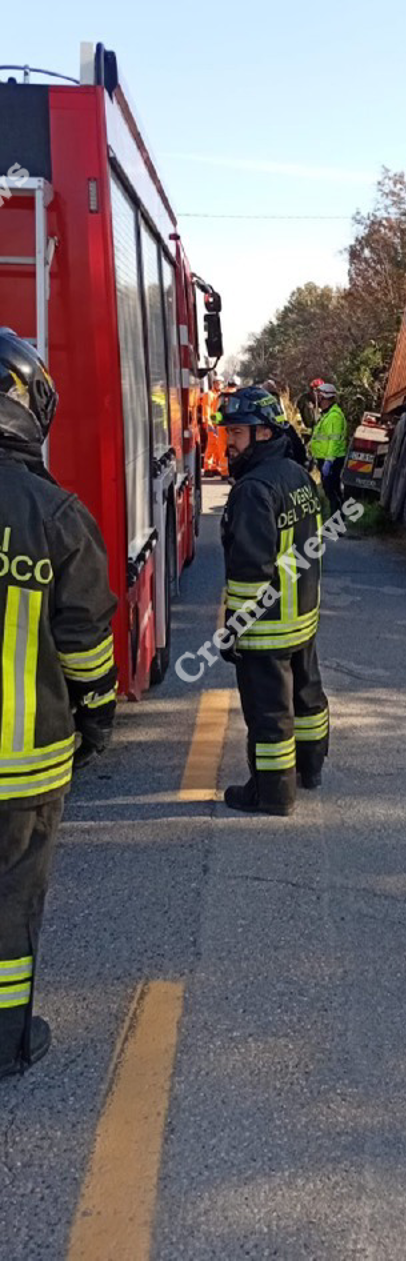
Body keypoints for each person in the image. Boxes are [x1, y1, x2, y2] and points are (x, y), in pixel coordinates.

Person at [0, 329, 117, 1079]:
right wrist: (97, 717)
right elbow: (85, 647)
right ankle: (7, 1040)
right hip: (22, 766)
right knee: (10, 904)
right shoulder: (56, 515)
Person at [215, 387, 329, 817]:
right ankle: (311, 769)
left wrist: (232, 631)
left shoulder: (253, 490)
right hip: (301, 617)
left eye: (238, 433)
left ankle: (273, 794)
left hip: (265, 629)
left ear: (263, 432)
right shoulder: (298, 476)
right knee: (307, 698)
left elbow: (249, 573)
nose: (229, 442)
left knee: (270, 716)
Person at [309, 383, 348, 515]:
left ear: (324, 397)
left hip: (331, 459)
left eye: (319, 396)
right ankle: (337, 519)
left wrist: (329, 461)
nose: (317, 399)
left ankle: (337, 520)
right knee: (330, 490)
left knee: (333, 491)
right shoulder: (326, 415)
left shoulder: (334, 416)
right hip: (325, 458)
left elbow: (334, 441)